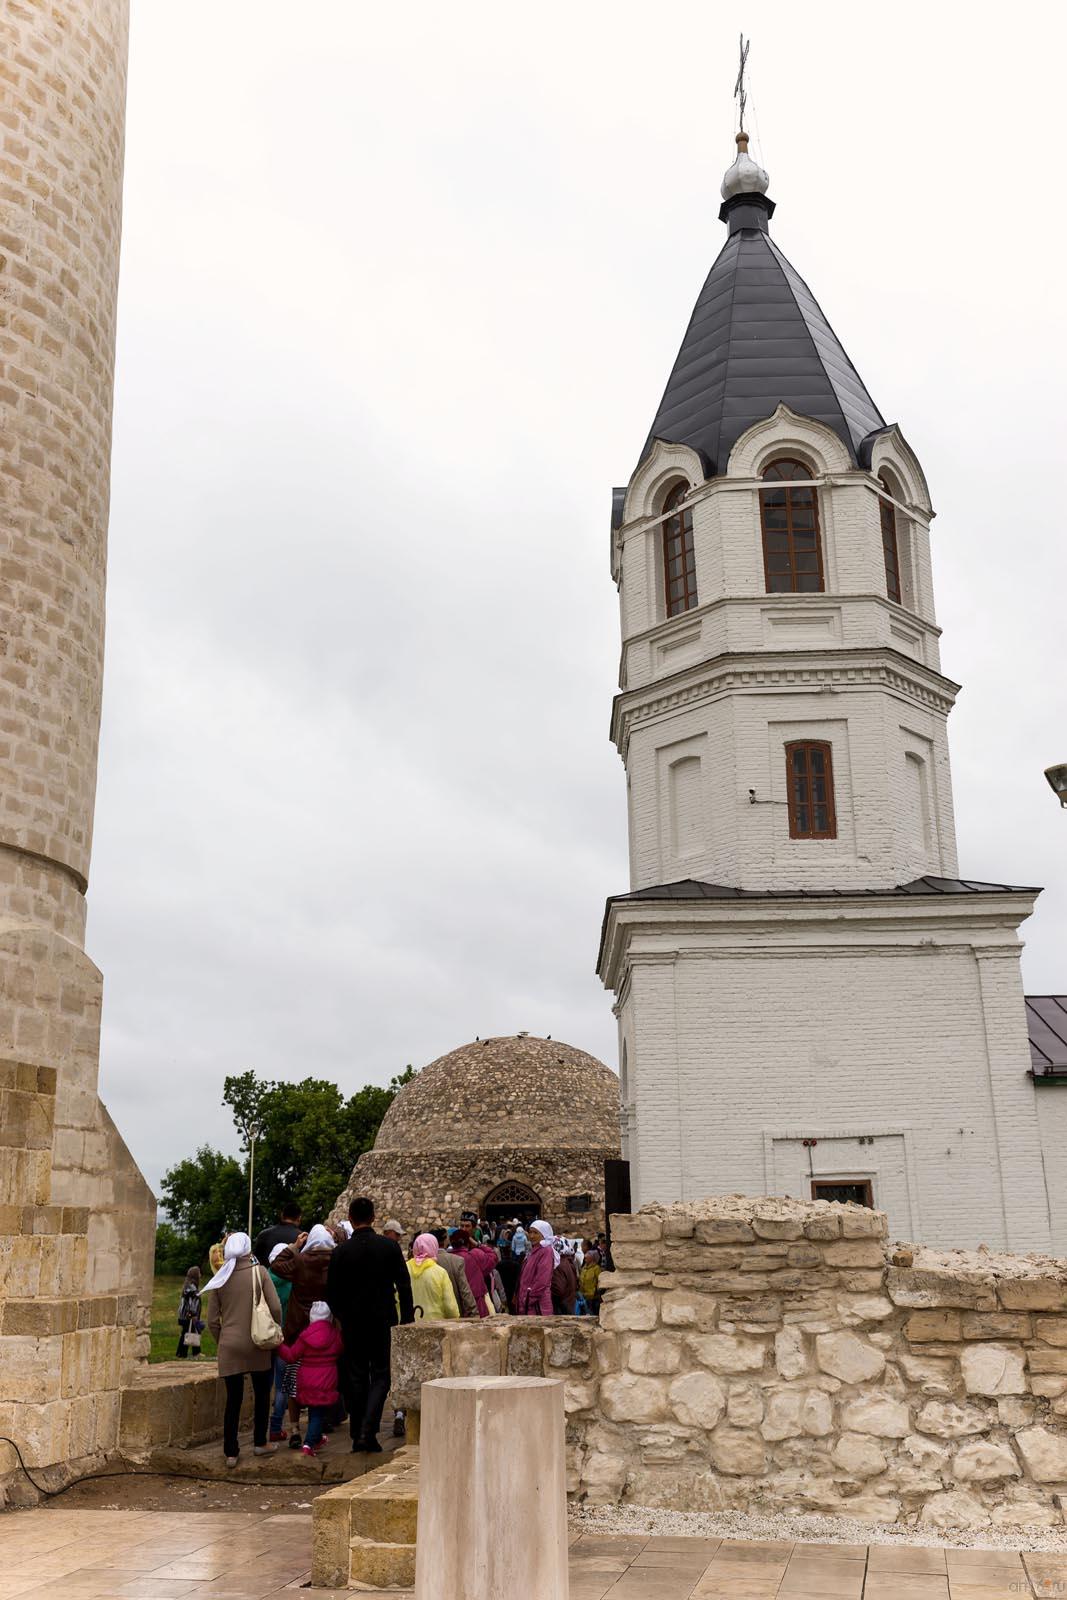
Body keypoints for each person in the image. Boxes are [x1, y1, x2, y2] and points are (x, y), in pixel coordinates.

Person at [325, 1196, 414, 1455]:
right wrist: (406, 1320)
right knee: (382, 1375)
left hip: (353, 1324)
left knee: (356, 1376)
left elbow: (332, 1292)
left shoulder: (341, 1252)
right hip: (383, 1320)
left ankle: (357, 1433)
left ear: (350, 1219)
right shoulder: (389, 1247)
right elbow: (404, 1286)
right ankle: (368, 1429)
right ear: (373, 1217)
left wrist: (342, 1316)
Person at [204, 1231, 283, 1467]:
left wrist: (223, 1341)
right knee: (261, 1394)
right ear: (248, 1248)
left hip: (230, 1345)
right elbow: (276, 1307)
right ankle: (260, 1442)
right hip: (257, 1342)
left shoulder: (221, 1277)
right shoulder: (259, 1272)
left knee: (233, 1400)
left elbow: (211, 1321)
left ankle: (231, 1451)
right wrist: (275, 1327)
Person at [268, 1223, 338, 1449]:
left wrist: (294, 1245)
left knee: (291, 1380)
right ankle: (317, 1426)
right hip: (327, 1326)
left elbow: (276, 1265)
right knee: (322, 1377)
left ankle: (296, 1427)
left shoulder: (300, 1261)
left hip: (298, 1325)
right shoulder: (335, 1260)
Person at [278, 1301, 344, 1457]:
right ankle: (308, 1445)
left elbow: (291, 1355)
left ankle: (318, 1438)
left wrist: (278, 1345)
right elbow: (341, 1349)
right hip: (327, 1381)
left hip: (307, 1381)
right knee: (317, 1413)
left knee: (316, 1412)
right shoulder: (335, 1335)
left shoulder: (305, 1337)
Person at [267, 1243, 293, 1441]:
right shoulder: (291, 1280)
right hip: (286, 1336)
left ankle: (264, 1427)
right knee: (283, 1385)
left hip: (264, 1336)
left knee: (265, 1384)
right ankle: (276, 1426)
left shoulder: (265, 1276)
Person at [407, 1233, 460, 1320]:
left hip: (407, 1326)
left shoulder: (404, 1269)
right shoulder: (440, 1272)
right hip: (434, 1326)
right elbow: (451, 1308)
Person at [448, 1231, 498, 1318]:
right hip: (477, 1304)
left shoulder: (447, 1259)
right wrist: (478, 1245)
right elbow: (493, 1257)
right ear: (468, 1242)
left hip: (455, 1306)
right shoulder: (475, 1255)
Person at [432, 1227, 478, 1317]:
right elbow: (465, 1290)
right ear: (445, 1240)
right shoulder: (456, 1261)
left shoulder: (420, 1262)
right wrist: (474, 1312)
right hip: (454, 1314)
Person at [516, 1219, 555, 1316]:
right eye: (530, 1232)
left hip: (538, 1306)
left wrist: (528, 1299)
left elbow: (542, 1281)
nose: (532, 1236)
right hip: (528, 1304)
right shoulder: (534, 1250)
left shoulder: (546, 1251)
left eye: (536, 1233)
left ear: (544, 1234)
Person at [253, 1201, 302, 1267]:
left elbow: (254, 1262)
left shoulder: (263, 1235)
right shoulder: (303, 1238)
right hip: (294, 1276)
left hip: (266, 1276)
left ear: (282, 1215)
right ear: (299, 1218)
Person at [176, 1266, 202, 1358]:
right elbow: (192, 1301)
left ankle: (192, 1352)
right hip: (188, 1315)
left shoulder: (189, 1286)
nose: (200, 1275)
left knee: (190, 1332)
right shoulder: (191, 1287)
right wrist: (193, 1314)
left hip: (186, 1315)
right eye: (199, 1273)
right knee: (188, 1332)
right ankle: (182, 1353)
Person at [551, 1239, 579, 1315]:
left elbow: (558, 1290)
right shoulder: (568, 1262)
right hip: (568, 1305)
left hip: (560, 1308)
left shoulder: (558, 1265)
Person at [579, 1247, 601, 1316]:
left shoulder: (596, 1268)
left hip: (592, 1297)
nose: (585, 1259)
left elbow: (599, 1281)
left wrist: (596, 1292)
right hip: (583, 1296)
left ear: (592, 1259)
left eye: (586, 1258)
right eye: (585, 1258)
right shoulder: (584, 1268)